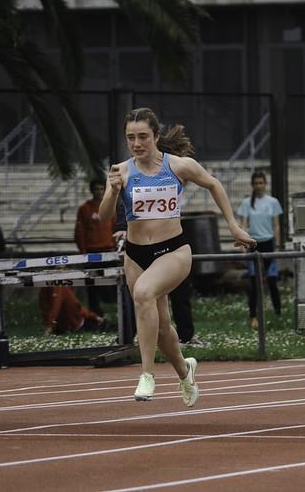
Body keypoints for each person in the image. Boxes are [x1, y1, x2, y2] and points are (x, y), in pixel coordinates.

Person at [99, 107, 256, 406]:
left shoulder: (179, 166)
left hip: (173, 250)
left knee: (143, 294)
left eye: (143, 136)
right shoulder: (121, 170)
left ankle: (146, 374)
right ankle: (186, 372)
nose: (136, 144)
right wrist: (112, 192)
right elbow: (103, 216)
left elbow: (214, 184)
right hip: (136, 254)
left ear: (156, 136)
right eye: (130, 138)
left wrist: (234, 227)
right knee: (160, 328)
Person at [113, 202, 205, 347]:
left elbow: (212, 184)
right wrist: (121, 227)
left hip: (170, 247)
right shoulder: (131, 181)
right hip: (142, 249)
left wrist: (233, 226)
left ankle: (186, 337)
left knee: (180, 294)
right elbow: (122, 201)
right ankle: (126, 338)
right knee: (139, 296)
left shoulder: (170, 180)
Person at [237, 171, 283, 330]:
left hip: (268, 243)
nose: (258, 186)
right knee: (253, 282)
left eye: (261, 183)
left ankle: (278, 314)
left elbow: (276, 225)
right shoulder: (246, 203)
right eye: (256, 183)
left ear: (265, 184)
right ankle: (253, 315)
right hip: (253, 244)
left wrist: (277, 244)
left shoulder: (273, 202)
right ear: (252, 185)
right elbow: (243, 224)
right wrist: (243, 244)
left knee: (271, 281)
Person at [74, 179, 116, 318]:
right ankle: (95, 315)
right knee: (92, 287)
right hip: (92, 253)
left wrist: (116, 249)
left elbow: (116, 228)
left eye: (101, 189)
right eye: (96, 189)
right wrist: (83, 253)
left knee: (115, 285)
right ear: (91, 191)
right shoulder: (85, 208)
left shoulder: (111, 207)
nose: (99, 192)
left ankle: (117, 313)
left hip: (109, 252)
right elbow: (80, 232)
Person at [39, 286, 105, 334]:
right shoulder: (57, 287)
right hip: (72, 324)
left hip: (72, 324)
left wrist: (49, 324)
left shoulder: (57, 287)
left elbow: (75, 306)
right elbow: (54, 306)